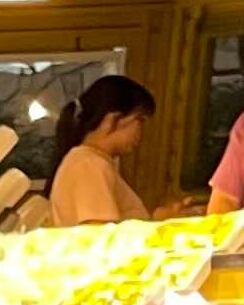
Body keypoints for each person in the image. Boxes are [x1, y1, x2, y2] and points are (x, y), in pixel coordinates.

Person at [46, 74, 162, 225]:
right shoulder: (89, 165)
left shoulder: (90, 161)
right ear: (113, 118)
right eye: (140, 119)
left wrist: (158, 219)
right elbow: (100, 234)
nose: (141, 131)